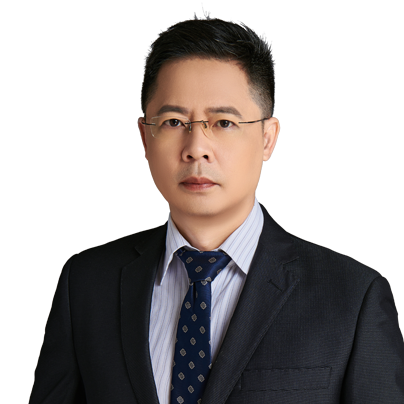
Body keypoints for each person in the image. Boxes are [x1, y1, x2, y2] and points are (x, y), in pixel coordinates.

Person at [29, 18, 404, 404]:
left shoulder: (351, 297)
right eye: (174, 122)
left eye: (224, 122)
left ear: (268, 138)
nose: (196, 148)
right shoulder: (87, 285)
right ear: (145, 136)